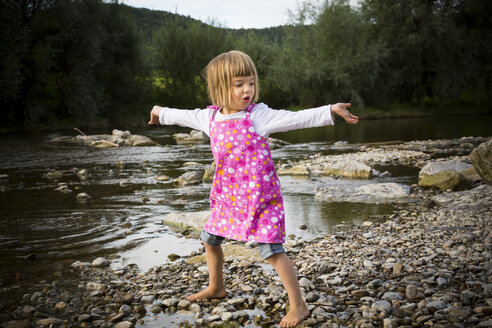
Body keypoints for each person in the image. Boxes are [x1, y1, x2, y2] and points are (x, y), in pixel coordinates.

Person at [149, 50, 358, 327]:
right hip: (226, 197)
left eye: (250, 82)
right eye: (239, 84)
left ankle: (298, 305)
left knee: (271, 249)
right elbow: (181, 115)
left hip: (260, 198)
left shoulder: (258, 116)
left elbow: (295, 118)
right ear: (220, 87)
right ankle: (216, 287)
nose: (247, 89)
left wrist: (329, 110)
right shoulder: (210, 118)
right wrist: (158, 112)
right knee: (210, 239)